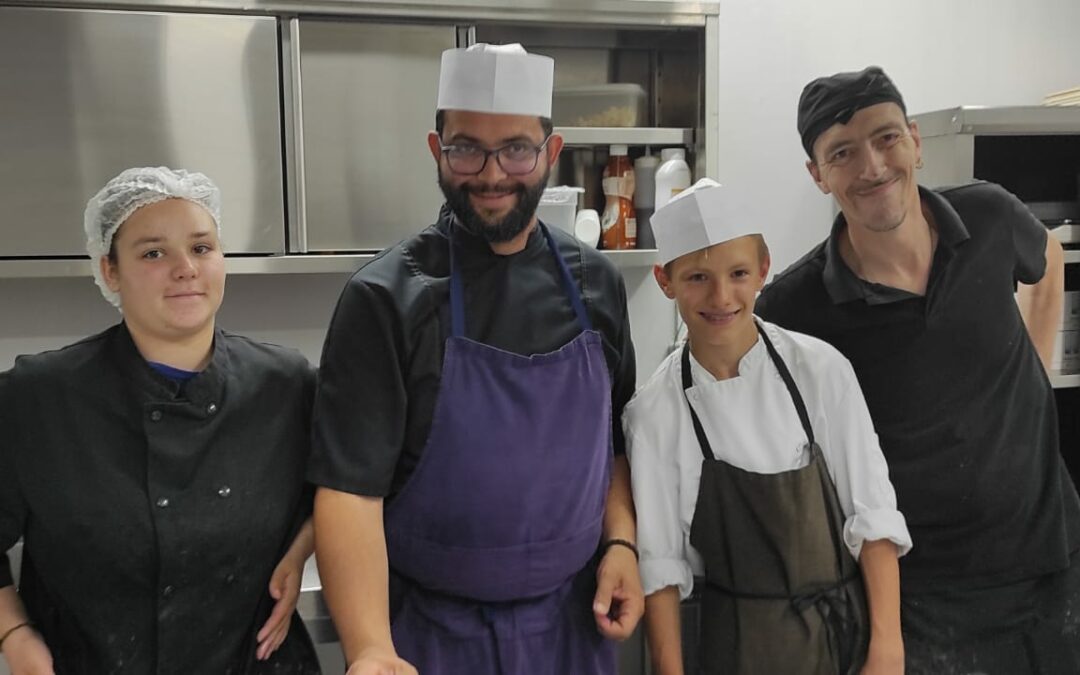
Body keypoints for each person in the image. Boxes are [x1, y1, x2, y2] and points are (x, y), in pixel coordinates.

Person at [308, 43, 642, 675]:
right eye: (467, 148)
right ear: (437, 151)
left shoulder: (597, 282)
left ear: (551, 151)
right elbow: (349, 490)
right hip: (431, 637)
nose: (492, 175)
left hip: (574, 627)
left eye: (516, 148)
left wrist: (620, 542)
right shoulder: (385, 298)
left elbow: (613, 443)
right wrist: (371, 648)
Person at [755, 66, 1080, 674]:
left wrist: (1035, 375)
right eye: (842, 153)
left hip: (1053, 561)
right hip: (921, 600)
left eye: (886, 138)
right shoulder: (795, 306)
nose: (873, 167)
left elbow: (1050, 255)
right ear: (817, 174)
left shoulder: (987, 216)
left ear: (915, 141)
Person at [0, 167, 321, 674]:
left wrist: (300, 548)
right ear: (110, 271)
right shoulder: (38, 398)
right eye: (153, 252)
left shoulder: (285, 384)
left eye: (201, 248)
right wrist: (14, 635)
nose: (185, 268)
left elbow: (342, 490)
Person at [626, 178, 911, 675]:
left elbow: (873, 516)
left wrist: (887, 650)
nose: (721, 296)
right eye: (696, 277)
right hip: (733, 648)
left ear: (763, 270)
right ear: (664, 279)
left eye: (738, 272)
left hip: (844, 639)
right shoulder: (653, 413)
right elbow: (660, 569)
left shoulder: (821, 371)